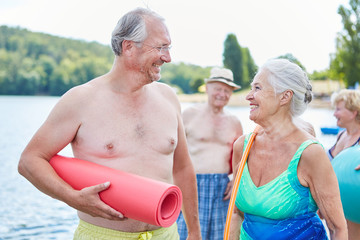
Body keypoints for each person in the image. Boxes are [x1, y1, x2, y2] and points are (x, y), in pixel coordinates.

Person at [18, 8, 201, 240]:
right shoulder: (81, 100)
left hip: (166, 234)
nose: (168, 57)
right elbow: (29, 161)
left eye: (169, 48)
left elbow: (183, 167)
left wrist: (195, 232)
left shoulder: (169, 98)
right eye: (160, 47)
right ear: (128, 47)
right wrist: (72, 197)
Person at [230, 58, 348, 239]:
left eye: (258, 88)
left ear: (285, 96)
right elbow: (236, 214)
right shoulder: (242, 147)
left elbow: (337, 228)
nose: (248, 95)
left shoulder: (310, 153)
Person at [176, 67, 243, 240]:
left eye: (227, 90)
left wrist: (235, 178)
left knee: (221, 236)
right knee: (186, 234)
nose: (222, 94)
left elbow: (241, 157)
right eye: (218, 88)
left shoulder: (235, 122)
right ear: (207, 89)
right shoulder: (189, 114)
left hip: (222, 188)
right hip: (192, 183)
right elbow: (173, 151)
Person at [327, 89, 360, 239]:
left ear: (354, 112)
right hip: (333, 208)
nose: (334, 113)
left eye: (339, 109)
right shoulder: (341, 135)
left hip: (353, 210)